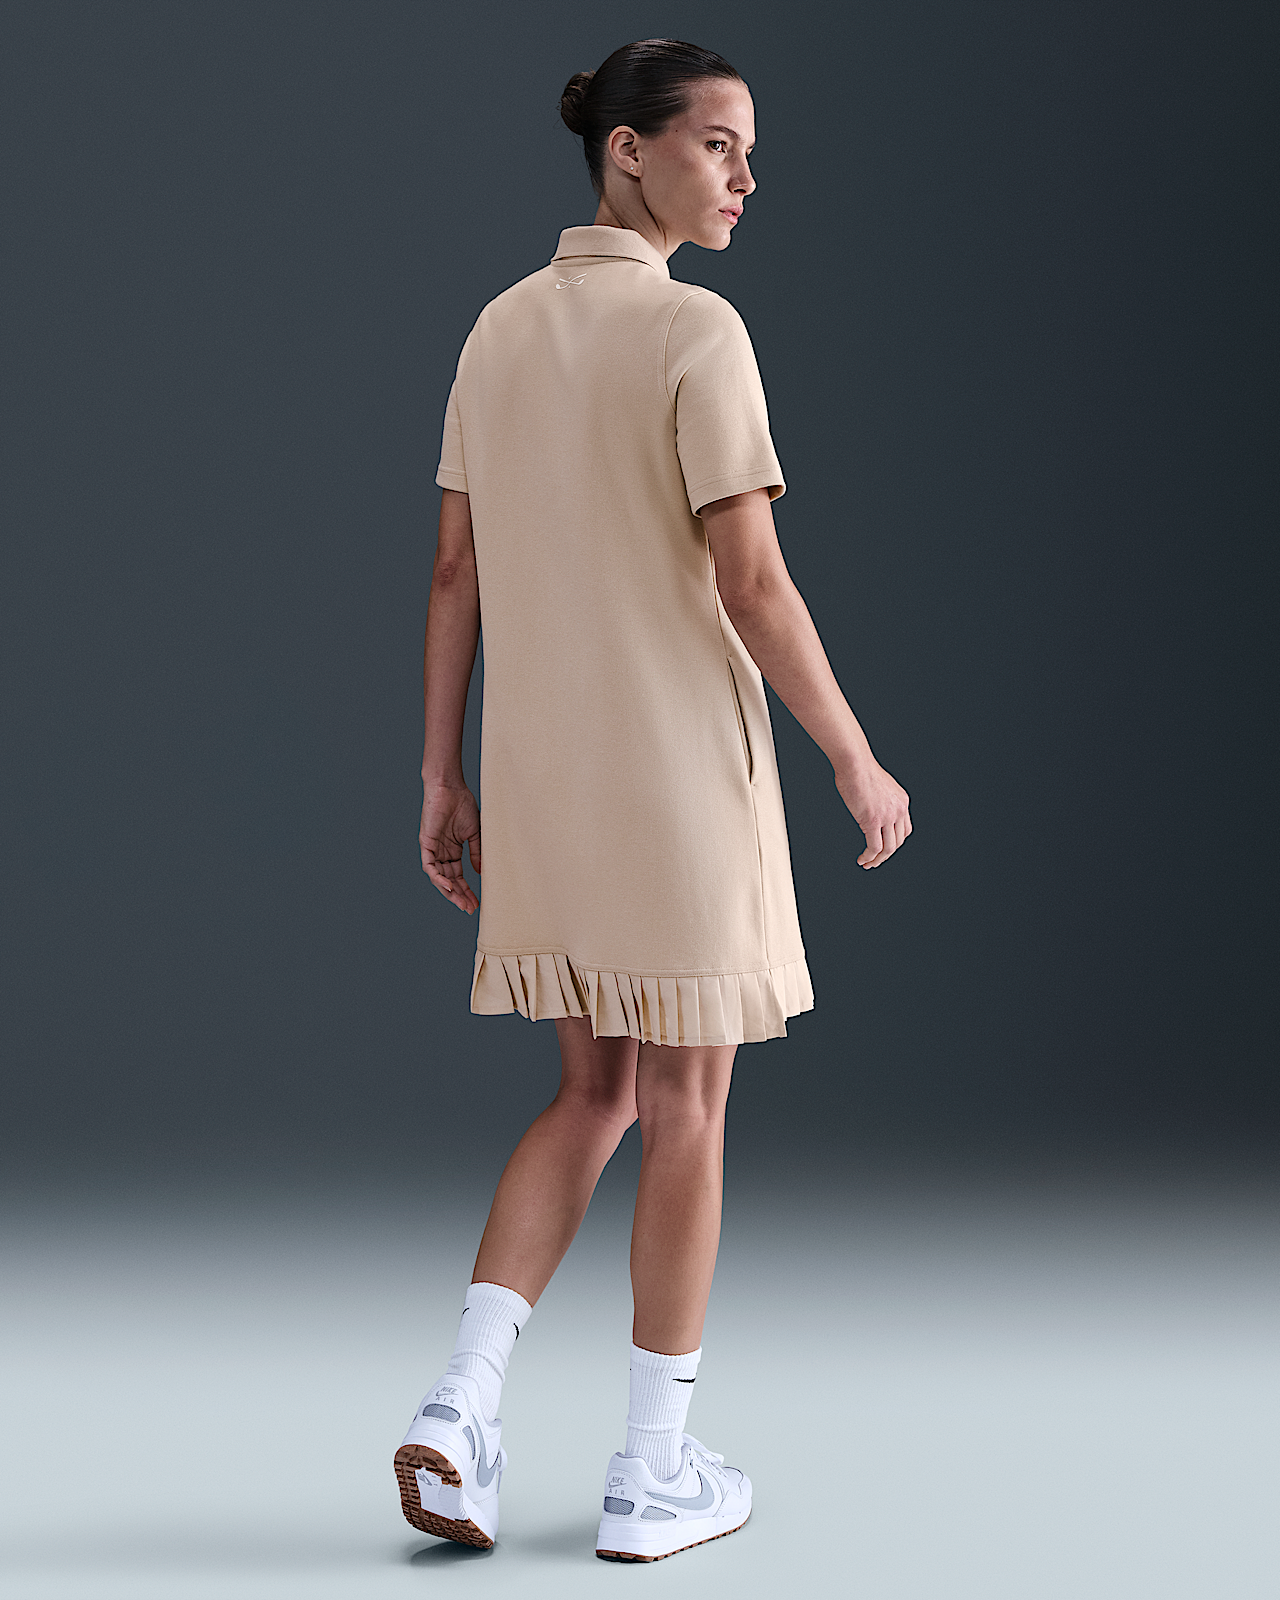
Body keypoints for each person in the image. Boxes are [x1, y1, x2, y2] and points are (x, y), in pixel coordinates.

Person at [393, 39, 911, 1563]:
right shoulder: (699, 330)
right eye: (719, 145)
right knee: (684, 1107)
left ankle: (459, 1405)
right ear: (631, 150)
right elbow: (752, 581)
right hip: (680, 775)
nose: (745, 177)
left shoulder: (498, 328)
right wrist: (851, 751)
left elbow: (452, 572)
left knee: (592, 1095)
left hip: (543, 778)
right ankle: (652, 1473)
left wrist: (441, 772)